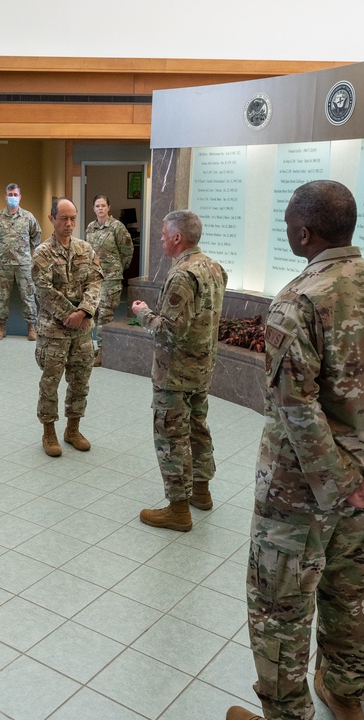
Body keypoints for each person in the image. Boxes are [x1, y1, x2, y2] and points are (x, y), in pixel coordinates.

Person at [228, 181, 364, 720]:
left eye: (287, 225)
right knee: (348, 592)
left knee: (280, 606)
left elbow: (294, 408)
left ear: (303, 232)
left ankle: (286, 714)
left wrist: (347, 482)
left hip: (298, 496)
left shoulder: (298, 301)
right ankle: (346, 695)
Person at [131, 210, 226, 533]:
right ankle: (201, 491)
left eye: (163, 233)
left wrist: (144, 314)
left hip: (175, 373)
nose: (159, 238)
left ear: (177, 238)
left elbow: (169, 330)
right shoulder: (214, 268)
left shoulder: (182, 275)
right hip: (201, 368)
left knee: (172, 436)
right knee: (198, 428)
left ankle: (178, 509)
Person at [31, 198, 103, 457]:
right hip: (54, 331)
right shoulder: (42, 253)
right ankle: (48, 431)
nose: (69, 224)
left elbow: (96, 282)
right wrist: (69, 314)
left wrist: (83, 311)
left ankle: (73, 429)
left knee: (80, 381)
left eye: (73, 218)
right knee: (50, 382)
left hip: (83, 329)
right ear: (52, 219)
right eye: (64, 218)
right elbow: (43, 290)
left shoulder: (86, 249)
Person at [0, 183, 41, 341]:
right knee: (2, 297)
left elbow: (36, 236)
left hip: (23, 264)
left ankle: (31, 327)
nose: (13, 198)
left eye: (15, 195)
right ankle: (1, 328)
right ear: (5, 196)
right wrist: (4, 250)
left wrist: (25, 251)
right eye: (10, 195)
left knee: (28, 296)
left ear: (20, 197)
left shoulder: (28, 217)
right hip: (3, 264)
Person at [85, 194, 133, 366]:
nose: (100, 208)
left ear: (108, 207)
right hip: (95, 278)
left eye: (103, 205)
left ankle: (103, 352)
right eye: (97, 206)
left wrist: (118, 268)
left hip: (111, 278)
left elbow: (127, 250)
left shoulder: (117, 227)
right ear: (94, 208)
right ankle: (99, 347)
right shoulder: (90, 227)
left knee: (105, 315)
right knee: (94, 313)